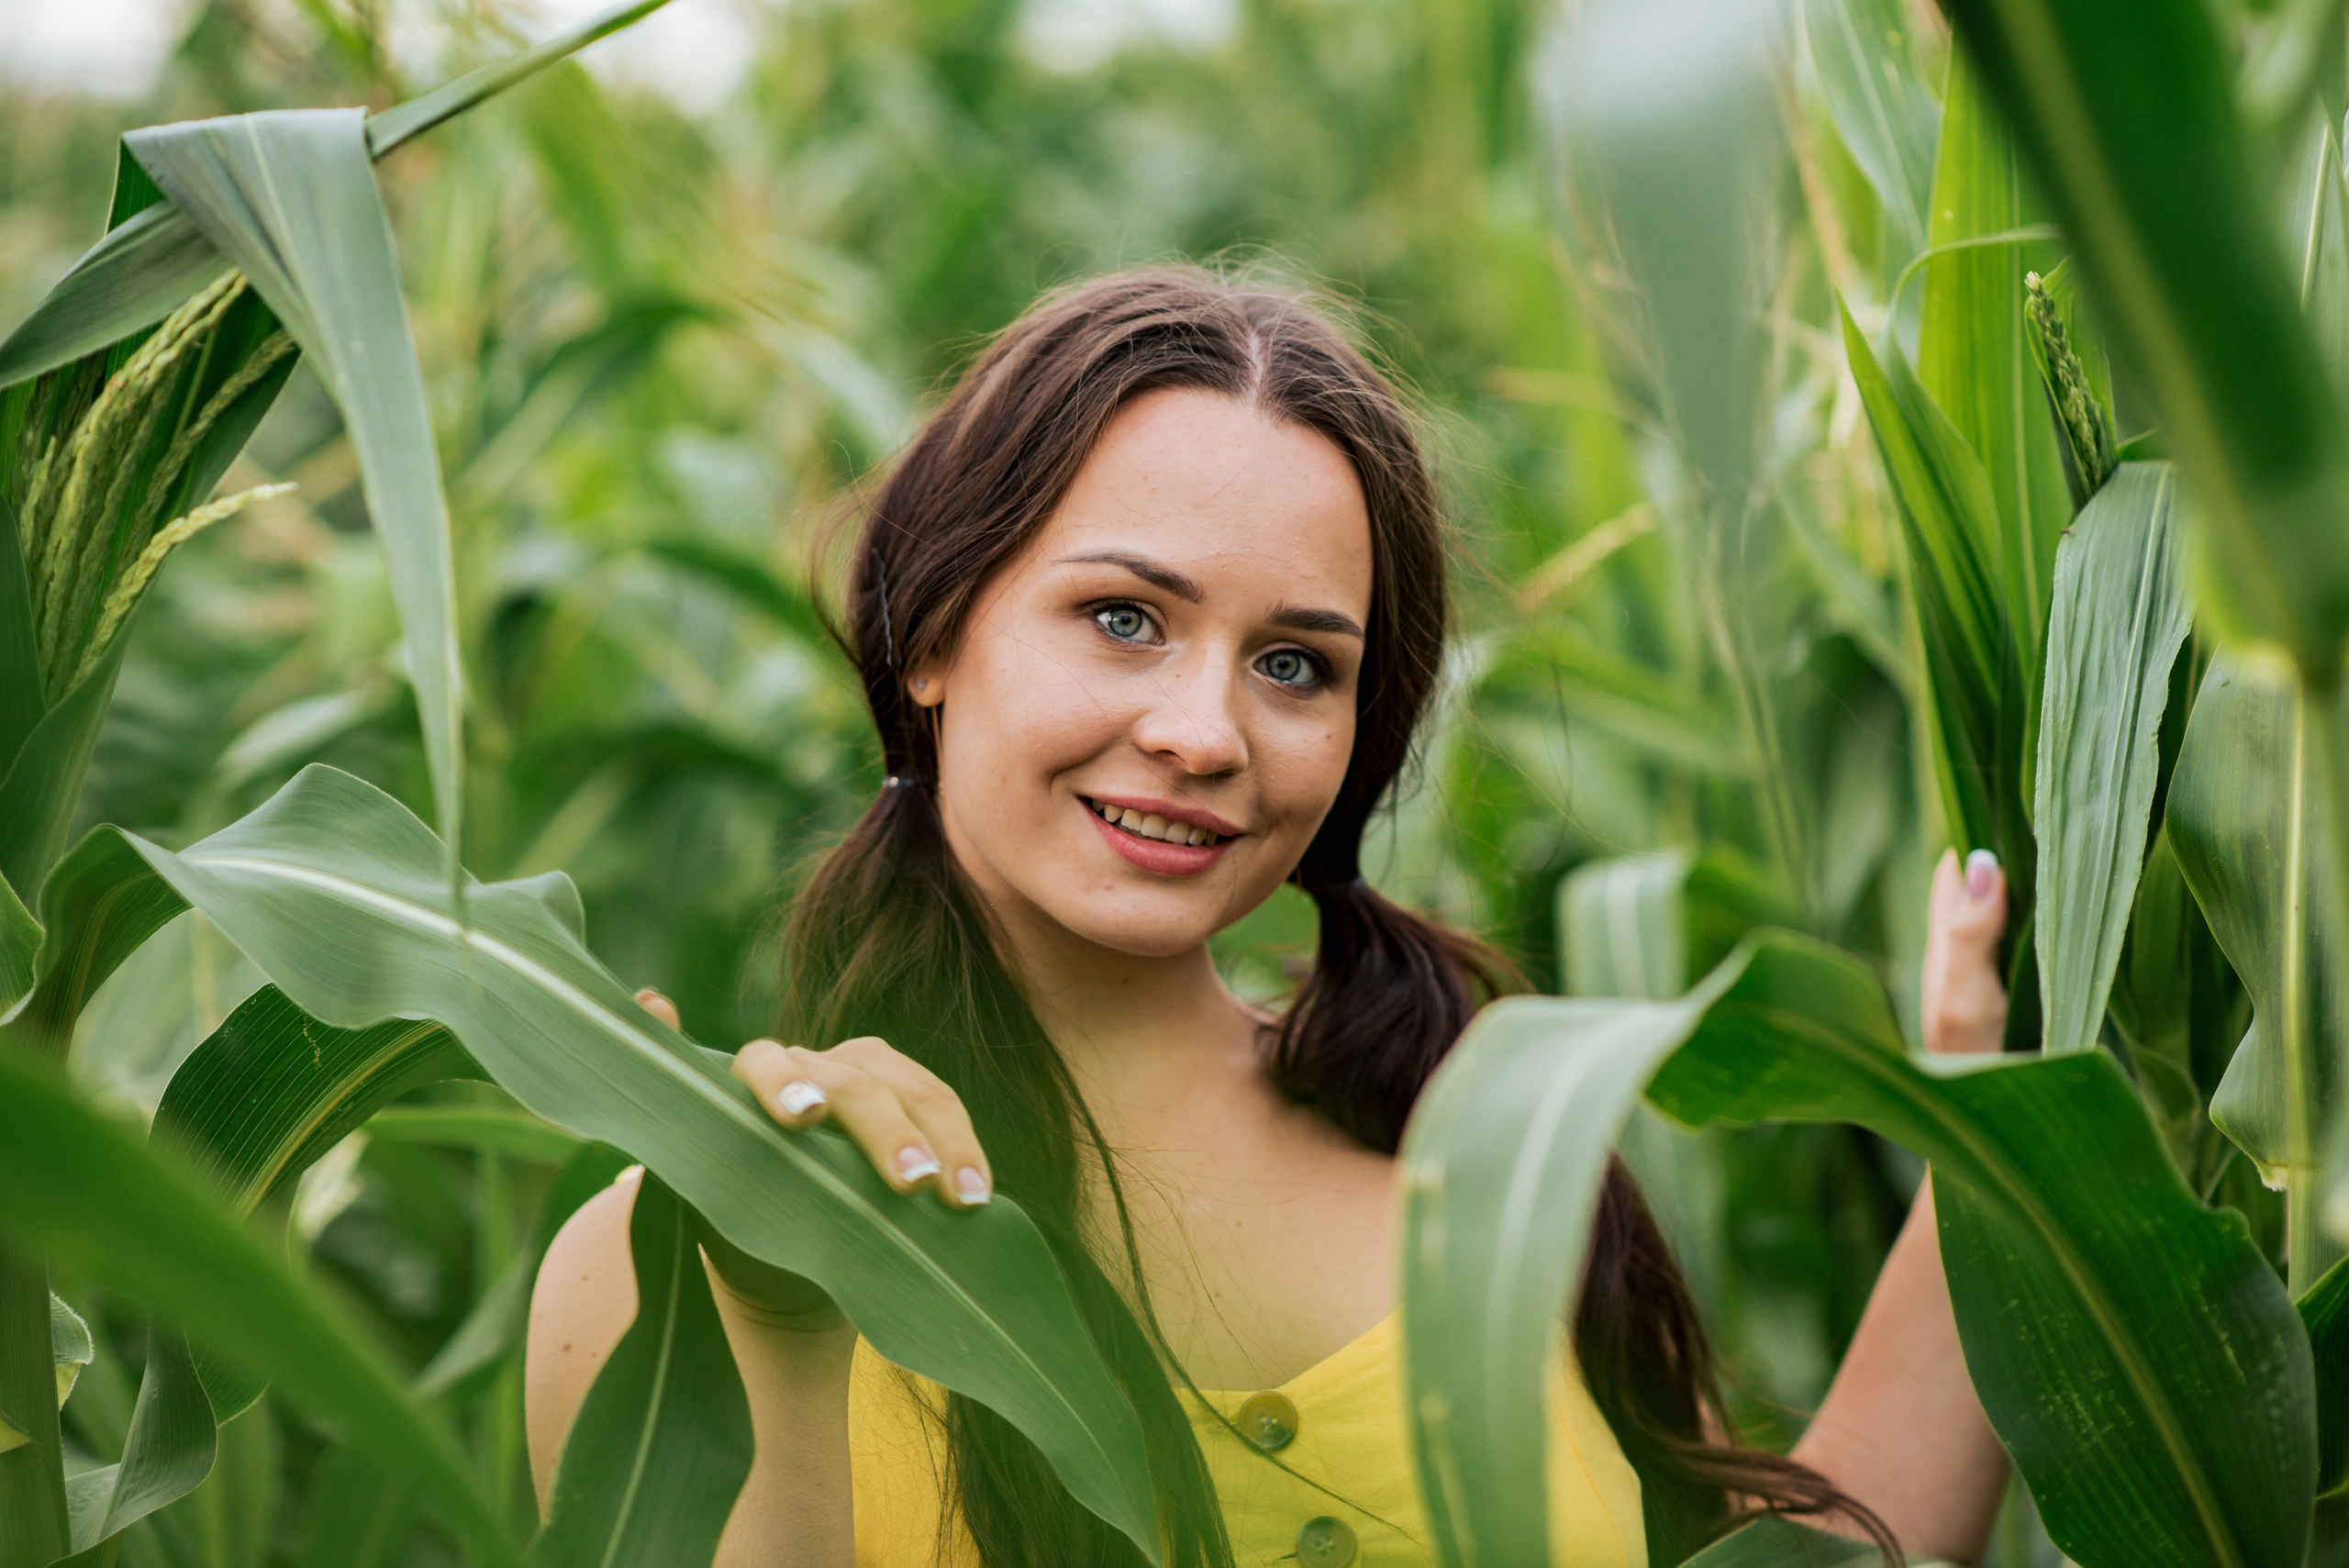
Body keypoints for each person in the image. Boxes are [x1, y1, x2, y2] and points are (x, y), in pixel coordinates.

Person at [525, 269, 2015, 1567]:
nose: (1204, 731)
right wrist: (781, 1331)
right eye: (1124, 617)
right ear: (930, 631)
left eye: (1296, 664)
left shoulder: (1482, 1145)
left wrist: (1998, 1141)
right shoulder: (700, 1244)